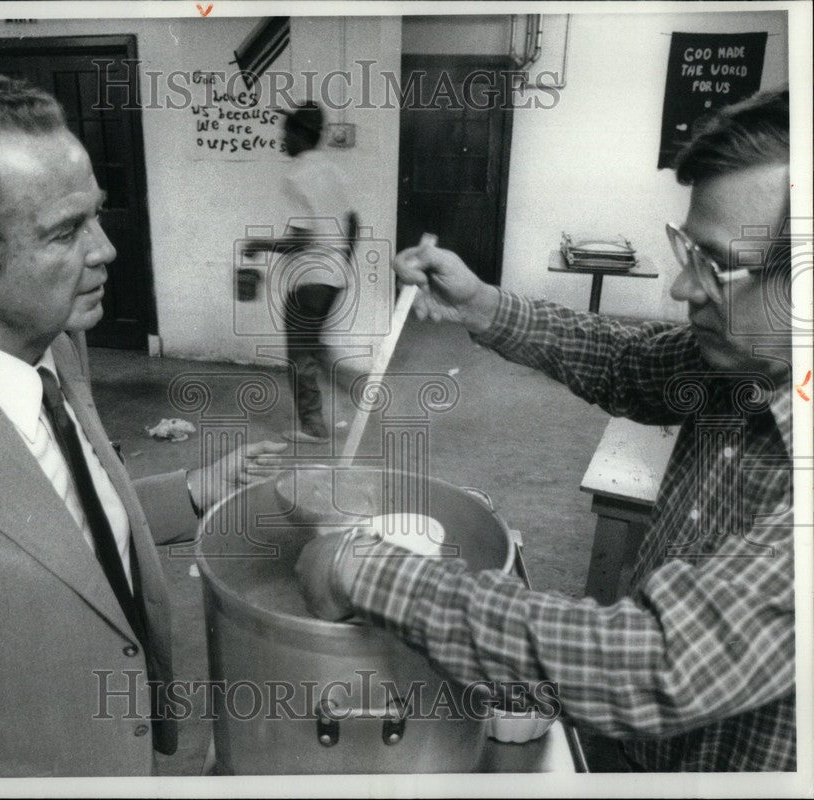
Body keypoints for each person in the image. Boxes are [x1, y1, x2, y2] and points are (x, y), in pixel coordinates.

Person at [295, 88, 796, 771]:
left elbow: (651, 664)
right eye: (687, 252)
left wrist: (362, 567)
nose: (682, 289)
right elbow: (628, 360)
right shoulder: (756, 363)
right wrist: (481, 303)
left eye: (714, 265)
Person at [0, 74, 284, 778]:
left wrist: (189, 491)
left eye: (95, 216)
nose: (105, 249)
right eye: (67, 231)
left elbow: (53, 505)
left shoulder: (53, 342)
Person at [245, 101, 358, 443]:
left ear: (299, 134)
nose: (282, 140)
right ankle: (358, 387)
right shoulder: (335, 171)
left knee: (299, 354)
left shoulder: (296, 177)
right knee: (313, 344)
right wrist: (340, 261)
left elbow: (300, 240)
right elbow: (353, 222)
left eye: (285, 134)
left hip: (309, 281)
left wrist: (258, 245)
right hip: (335, 277)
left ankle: (313, 427)